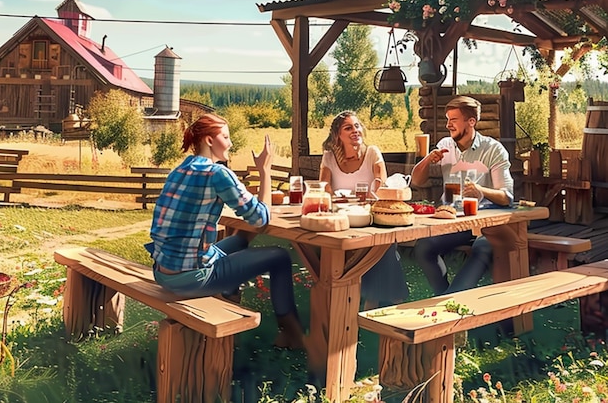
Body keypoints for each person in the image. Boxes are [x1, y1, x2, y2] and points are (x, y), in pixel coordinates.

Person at [146, 113, 306, 351]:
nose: (230, 143)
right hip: (191, 278)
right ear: (210, 141)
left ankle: (229, 298)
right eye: (226, 136)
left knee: (240, 239)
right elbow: (260, 218)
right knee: (280, 257)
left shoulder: (179, 170)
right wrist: (264, 171)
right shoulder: (216, 173)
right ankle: (292, 336)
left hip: (163, 271)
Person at [410, 96, 514, 295]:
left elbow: (507, 197)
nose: (448, 125)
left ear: (471, 122)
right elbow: (416, 181)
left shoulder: (493, 149)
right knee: (423, 247)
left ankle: (452, 302)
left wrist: (481, 191)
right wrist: (428, 160)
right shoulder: (445, 145)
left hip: (485, 225)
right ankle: (445, 298)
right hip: (452, 221)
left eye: (454, 120)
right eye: (447, 119)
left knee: (483, 249)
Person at [319, 111, 409, 309]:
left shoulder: (372, 153)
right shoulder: (329, 157)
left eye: (357, 126)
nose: (355, 131)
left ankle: (375, 302)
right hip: (342, 219)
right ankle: (385, 301)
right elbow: (324, 188)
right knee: (363, 248)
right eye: (348, 128)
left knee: (382, 245)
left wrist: (367, 200)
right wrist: (336, 200)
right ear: (337, 136)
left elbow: (380, 183)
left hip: (370, 216)